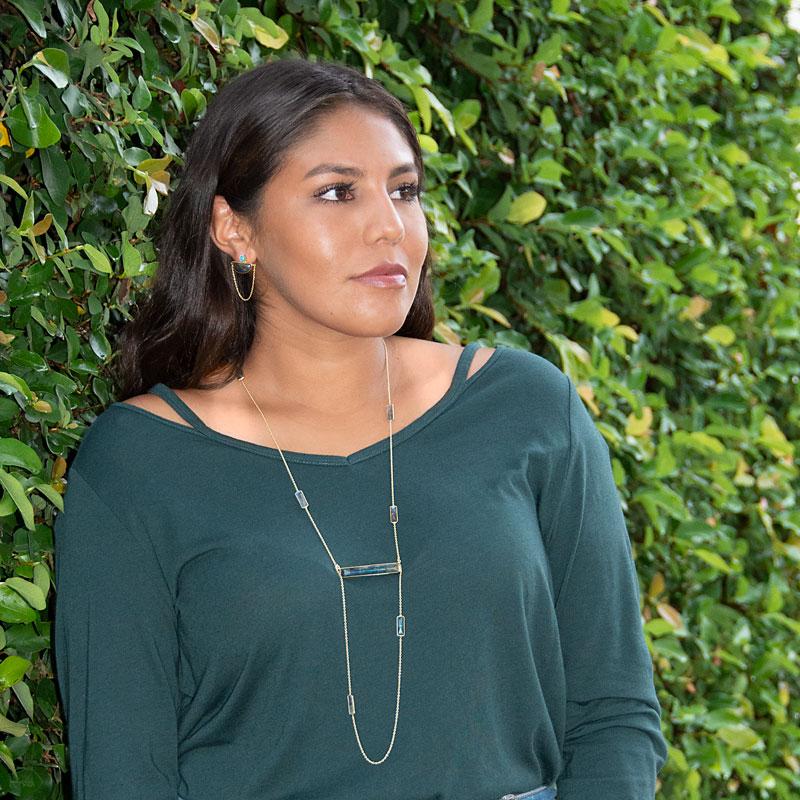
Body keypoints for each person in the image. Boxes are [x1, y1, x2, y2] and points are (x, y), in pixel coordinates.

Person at [53, 56, 669, 800]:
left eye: (404, 191)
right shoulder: (138, 463)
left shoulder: (525, 410)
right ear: (234, 229)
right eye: (337, 192)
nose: (389, 227)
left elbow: (613, 714)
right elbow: (124, 774)